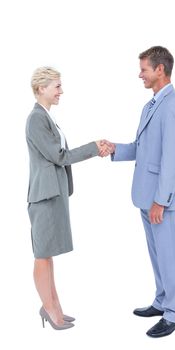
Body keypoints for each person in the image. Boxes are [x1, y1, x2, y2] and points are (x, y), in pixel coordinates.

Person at [103, 46, 175, 338]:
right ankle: (162, 300)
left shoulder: (174, 105)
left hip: (160, 200)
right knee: (157, 255)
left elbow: (173, 160)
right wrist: (116, 149)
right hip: (146, 195)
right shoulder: (151, 105)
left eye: (144, 69)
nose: (140, 74)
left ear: (160, 70)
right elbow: (143, 148)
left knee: (169, 255)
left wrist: (160, 201)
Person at [26, 66, 110, 330]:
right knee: (42, 255)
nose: (61, 91)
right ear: (42, 88)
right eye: (57, 86)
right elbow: (59, 156)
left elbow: (58, 154)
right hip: (44, 197)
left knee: (48, 254)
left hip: (53, 195)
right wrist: (94, 149)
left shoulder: (47, 118)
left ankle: (54, 306)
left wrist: (95, 148)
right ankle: (50, 309)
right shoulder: (36, 119)